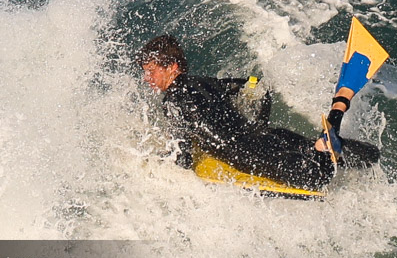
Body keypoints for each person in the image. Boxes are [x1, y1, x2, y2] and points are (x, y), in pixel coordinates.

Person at [137, 35, 378, 191]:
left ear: (173, 67)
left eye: (152, 70)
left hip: (252, 155)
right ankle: (341, 121)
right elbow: (255, 85)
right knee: (361, 155)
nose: (147, 78)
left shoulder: (172, 101)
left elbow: (184, 158)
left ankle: (329, 133)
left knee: (318, 177)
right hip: (269, 136)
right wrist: (260, 123)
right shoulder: (204, 82)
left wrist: (159, 166)